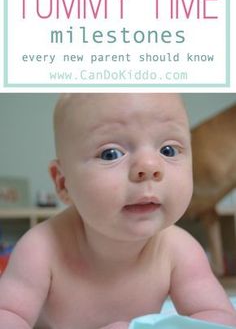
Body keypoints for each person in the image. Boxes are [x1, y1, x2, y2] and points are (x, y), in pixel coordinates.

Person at [0, 94, 235, 329]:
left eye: (169, 150)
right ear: (63, 183)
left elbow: (218, 317)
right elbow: (8, 314)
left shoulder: (179, 250)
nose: (150, 167)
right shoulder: (40, 249)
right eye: (110, 154)